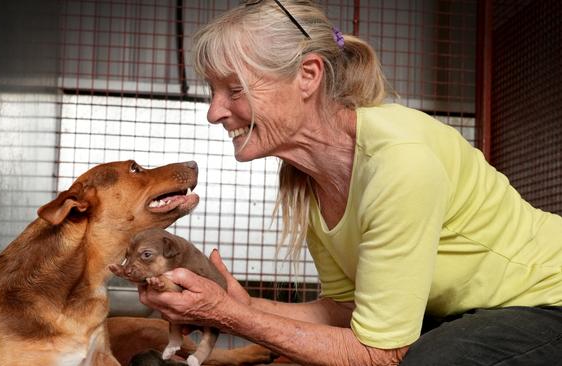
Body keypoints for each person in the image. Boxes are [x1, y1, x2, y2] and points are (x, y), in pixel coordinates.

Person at [138, 1, 562, 365]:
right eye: (213, 91)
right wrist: (238, 305)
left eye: (234, 89)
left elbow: (379, 355)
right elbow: (347, 311)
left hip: (547, 301)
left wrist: (231, 317)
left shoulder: (399, 161)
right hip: (472, 311)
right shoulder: (309, 177)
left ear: (308, 75)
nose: (214, 112)